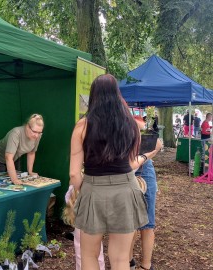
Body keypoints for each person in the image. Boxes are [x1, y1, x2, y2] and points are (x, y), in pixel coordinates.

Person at [70, 74, 148, 270]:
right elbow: (131, 164)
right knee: (121, 259)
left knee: (89, 255)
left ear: (93, 96)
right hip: (125, 190)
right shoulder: (131, 125)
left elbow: (73, 174)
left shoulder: (82, 126)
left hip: (93, 191)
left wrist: (83, 191)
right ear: (117, 94)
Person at [130, 116, 163, 270]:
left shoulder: (134, 119)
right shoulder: (114, 120)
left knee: (147, 222)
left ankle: (146, 264)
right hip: (125, 168)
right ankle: (127, 261)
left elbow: (144, 128)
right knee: (129, 223)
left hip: (144, 168)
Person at [0, 114, 44, 184]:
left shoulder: (38, 135)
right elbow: (8, 157)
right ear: (27, 126)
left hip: (15, 157)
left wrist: (30, 172)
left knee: (18, 179)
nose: (36, 135)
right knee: (2, 182)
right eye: (34, 131)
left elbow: (31, 153)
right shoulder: (16, 133)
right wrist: (14, 179)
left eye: (39, 132)